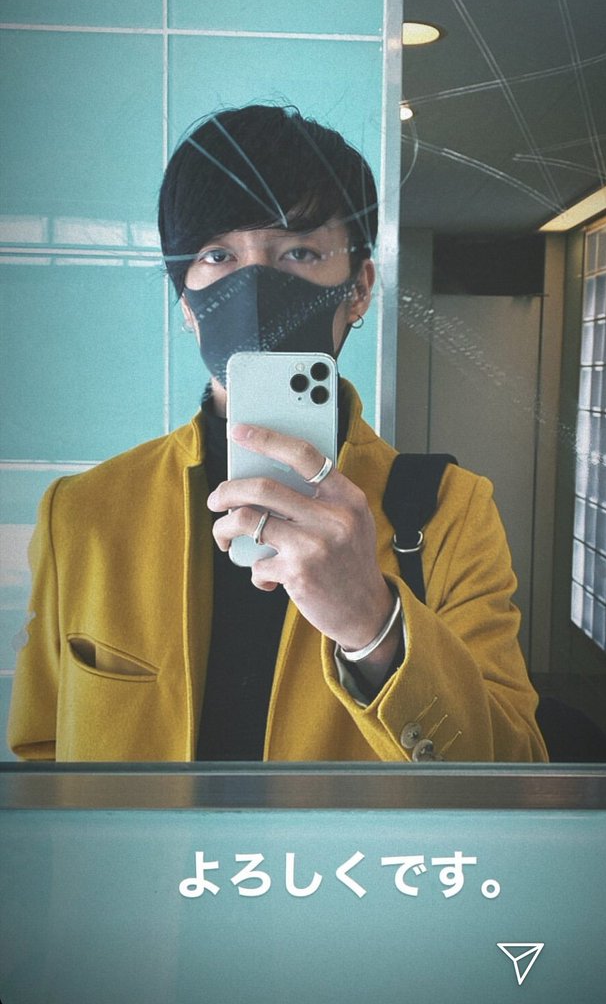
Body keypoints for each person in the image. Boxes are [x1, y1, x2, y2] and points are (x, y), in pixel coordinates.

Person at [8, 104, 547, 763]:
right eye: (217, 254)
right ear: (186, 303)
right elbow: (43, 760)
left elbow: (514, 773)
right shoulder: (83, 513)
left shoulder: (450, 513)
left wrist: (373, 627)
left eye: (299, 251)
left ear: (358, 289)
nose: (255, 284)